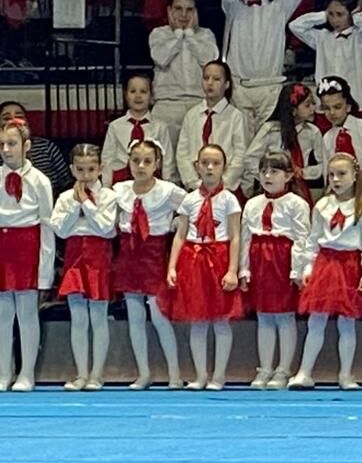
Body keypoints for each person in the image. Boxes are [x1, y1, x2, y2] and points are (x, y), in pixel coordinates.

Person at [289, 153, 362, 390]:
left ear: (355, 175)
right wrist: (308, 266)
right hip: (325, 264)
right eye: (331, 175)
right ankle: (304, 372)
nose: (336, 179)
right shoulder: (322, 205)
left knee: (347, 322)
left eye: (341, 174)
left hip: (350, 264)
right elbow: (313, 239)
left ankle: (346, 375)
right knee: (316, 319)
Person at [163, 143, 245, 390]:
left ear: (224, 167)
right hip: (194, 259)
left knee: (220, 320)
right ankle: (200, 376)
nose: (210, 168)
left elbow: (236, 236)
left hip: (219, 257)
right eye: (205, 163)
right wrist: (172, 267)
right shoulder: (189, 199)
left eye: (216, 163)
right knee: (197, 320)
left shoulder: (229, 199)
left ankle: (218, 376)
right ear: (196, 166)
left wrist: (232, 270)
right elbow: (180, 235)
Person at [109, 140, 185, 390]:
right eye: (136, 161)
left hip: (154, 255)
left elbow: (191, 209)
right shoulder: (119, 190)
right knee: (135, 317)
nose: (141, 166)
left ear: (157, 164)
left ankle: (175, 373)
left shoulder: (168, 191)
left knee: (159, 316)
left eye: (147, 161)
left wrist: (178, 225)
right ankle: (143, 373)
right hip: (128, 254)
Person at [239, 150, 309, 390]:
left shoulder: (297, 204)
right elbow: (245, 238)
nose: (268, 176)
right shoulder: (252, 204)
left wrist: (297, 270)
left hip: (283, 259)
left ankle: (283, 369)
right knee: (264, 316)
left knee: (285, 315)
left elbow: (302, 238)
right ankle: (265, 368)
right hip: (259, 259)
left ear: (288, 175)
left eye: (275, 171)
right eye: (264, 171)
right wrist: (244, 270)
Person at [51, 144, 115, 390]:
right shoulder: (65, 197)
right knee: (78, 318)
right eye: (80, 169)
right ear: (71, 169)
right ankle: (81, 374)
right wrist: (76, 206)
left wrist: (86, 204)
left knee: (98, 317)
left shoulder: (108, 196)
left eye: (91, 169)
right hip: (74, 257)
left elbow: (107, 229)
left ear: (100, 168)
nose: (86, 175)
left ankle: (96, 375)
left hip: (99, 258)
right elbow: (60, 230)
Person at [221, 0, 308, 136]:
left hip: (271, 85)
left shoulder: (279, 8)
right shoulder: (234, 7)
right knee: (240, 141)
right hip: (240, 87)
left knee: (268, 142)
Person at [289, 0, 362, 114]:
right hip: (326, 101)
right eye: (331, 14)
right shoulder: (322, 37)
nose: (334, 20)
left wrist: (355, 15)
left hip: (355, 100)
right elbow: (295, 26)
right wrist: (322, 16)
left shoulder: (360, 36)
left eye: (340, 14)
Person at [149, 0, 219, 136]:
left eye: (189, 10)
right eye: (178, 9)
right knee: (163, 149)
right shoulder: (159, 33)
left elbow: (209, 61)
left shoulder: (206, 34)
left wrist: (190, 34)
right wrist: (178, 34)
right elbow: (161, 58)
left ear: (196, 12)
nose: (184, 14)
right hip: (166, 104)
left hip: (198, 102)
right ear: (169, 11)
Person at [176, 61, 249, 193]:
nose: (210, 83)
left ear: (227, 84)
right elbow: (182, 153)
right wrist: (193, 182)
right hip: (195, 188)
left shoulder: (235, 116)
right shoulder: (192, 115)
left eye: (216, 79)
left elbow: (240, 154)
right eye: (206, 78)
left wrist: (223, 183)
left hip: (225, 188)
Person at [317, 77, 362, 203]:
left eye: (337, 107)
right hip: (342, 189)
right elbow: (328, 171)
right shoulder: (328, 137)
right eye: (326, 108)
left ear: (348, 106)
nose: (332, 112)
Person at [102, 74, 177, 187]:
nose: (138, 96)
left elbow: (167, 160)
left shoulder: (160, 127)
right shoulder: (115, 126)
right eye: (133, 91)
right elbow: (108, 159)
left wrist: (167, 185)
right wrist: (106, 187)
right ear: (126, 95)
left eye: (143, 92)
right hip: (121, 183)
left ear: (151, 96)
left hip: (152, 183)